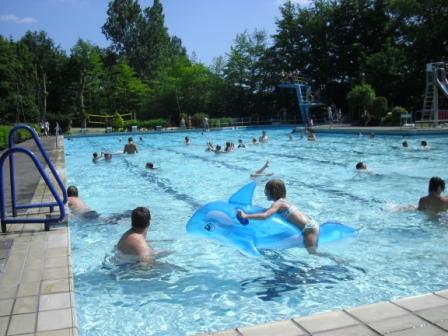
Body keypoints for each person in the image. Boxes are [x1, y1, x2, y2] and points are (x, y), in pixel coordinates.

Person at [237, 179, 319, 253]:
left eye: (266, 190)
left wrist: (245, 216)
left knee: (312, 253)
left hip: (309, 229)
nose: (265, 193)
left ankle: (330, 261)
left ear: (273, 191)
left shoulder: (277, 204)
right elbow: (266, 212)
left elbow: (265, 216)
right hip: (310, 224)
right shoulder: (282, 202)